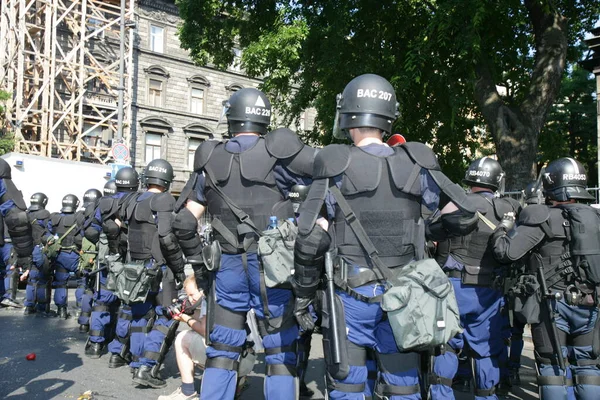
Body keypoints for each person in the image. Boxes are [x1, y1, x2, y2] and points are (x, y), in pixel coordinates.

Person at [292, 73, 478, 400]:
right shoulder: (415, 163)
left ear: (349, 115)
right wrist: (425, 231)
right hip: (406, 295)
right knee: (403, 386)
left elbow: (309, 240)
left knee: (348, 386)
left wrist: (304, 295)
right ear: (387, 117)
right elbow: (464, 215)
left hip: (351, 297)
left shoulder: (334, 163)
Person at [173, 87, 315, 399]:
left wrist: (198, 268)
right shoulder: (281, 153)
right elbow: (323, 177)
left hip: (226, 267)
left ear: (232, 118)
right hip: (273, 269)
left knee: (222, 352)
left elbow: (184, 222)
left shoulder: (210, 155)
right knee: (279, 354)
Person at [491, 157, 600, 400]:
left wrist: (502, 228)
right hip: (591, 304)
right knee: (588, 366)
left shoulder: (542, 216)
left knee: (552, 367)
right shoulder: (596, 218)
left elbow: (506, 252)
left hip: (552, 307)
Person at [430, 157, 522, 400]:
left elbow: (430, 235)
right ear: (497, 182)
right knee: (485, 350)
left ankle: (441, 395)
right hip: (487, 291)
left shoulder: (453, 203)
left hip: (452, 287)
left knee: (446, 346)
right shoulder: (508, 209)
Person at [107, 159, 186, 389]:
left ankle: (133, 360)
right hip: (160, 268)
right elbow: (166, 237)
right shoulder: (163, 199)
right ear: (167, 180)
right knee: (166, 317)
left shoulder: (133, 198)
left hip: (134, 268)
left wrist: (121, 256)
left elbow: (115, 227)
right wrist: (179, 267)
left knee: (140, 315)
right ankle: (146, 367)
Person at [84, 175, 138, 358]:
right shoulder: (137, 201)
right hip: (129, 261)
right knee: (126, 304)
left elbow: (90, 230)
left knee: (102, 302)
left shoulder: (102, 203)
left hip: (106, 260)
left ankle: (95, 345)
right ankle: (118, 352)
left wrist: (103, 244)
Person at [0, 159, 34, 308]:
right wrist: (25, 252)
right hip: (5, 239)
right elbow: (16, 216)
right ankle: (7, 296)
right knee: (9, 266)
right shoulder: (3, 179)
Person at [46, 194, 85, 318]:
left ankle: (61, 310)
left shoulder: (54, 218)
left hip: (60, 255)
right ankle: (81, 309)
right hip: (75, 255)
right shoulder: (79, 217)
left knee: (61, 283)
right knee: (82, 282)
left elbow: (48, 233)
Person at [76, 188, 102, 332]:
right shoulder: (101, 212)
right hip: (98, 255)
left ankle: (83, 323)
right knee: (101, 294)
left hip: (86, 255)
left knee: (87, 290)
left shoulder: (81, 215)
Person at [23, 192, 52, 315]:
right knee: (43, 279)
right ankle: (41, 308)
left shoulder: (25, 214)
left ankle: (29, 307)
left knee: (32, 278)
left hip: (27, 249)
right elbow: (49, 232)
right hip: (40, 249)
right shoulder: (45, 215)